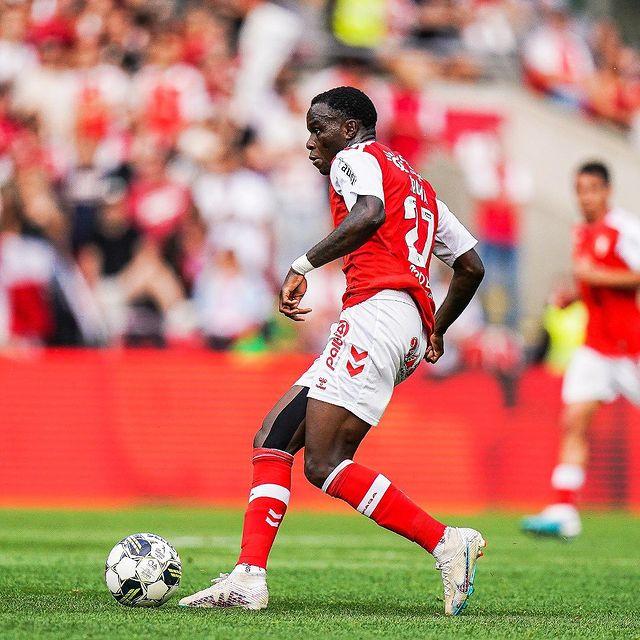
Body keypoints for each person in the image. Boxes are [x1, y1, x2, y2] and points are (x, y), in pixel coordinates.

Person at [179, 86, 486, 615]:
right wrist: (435, 328)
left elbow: (368, 214)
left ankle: (445, 542)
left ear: (348, 129)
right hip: (401, 325)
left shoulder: (356, 158)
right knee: (274, 436)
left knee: (324, 462)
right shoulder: (417, 184)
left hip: (375, 316)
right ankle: (248, 577)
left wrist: (301, 264)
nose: (310, 142)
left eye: (317, 129)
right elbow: (471, 265)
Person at [522, 162, 640, 538]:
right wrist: (573, 296)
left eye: (592, 189)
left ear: (607, 191)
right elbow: (591, 283)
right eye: (579, 190)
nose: (585, 197)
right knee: (574, 420)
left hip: (630, 347)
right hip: (595, 347)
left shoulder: (624, 229)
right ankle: (564, 511)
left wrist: (596, 276)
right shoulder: (581, 232)